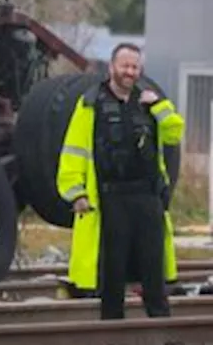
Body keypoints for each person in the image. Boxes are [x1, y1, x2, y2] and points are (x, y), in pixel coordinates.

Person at [55, 42, 184, 320]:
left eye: (135, 67)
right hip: (110, 198)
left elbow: (174, 133)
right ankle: (113, 325)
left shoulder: (150, 103)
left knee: (153, 265)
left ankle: (160, 323)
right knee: (112, 268)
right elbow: (73, 150)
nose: (130, 72)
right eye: (125, 65)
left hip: (148, 197)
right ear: (112, 67)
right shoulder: (91, 104)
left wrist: (159, 106)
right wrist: (76, 193)